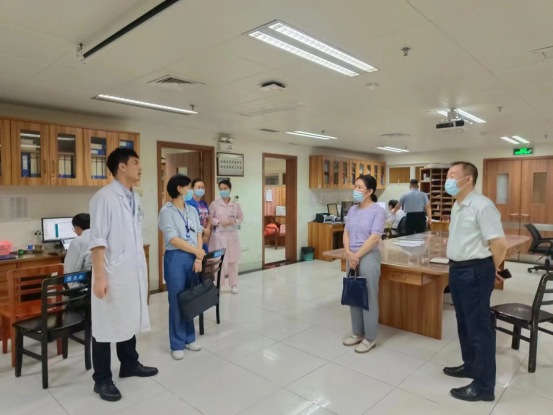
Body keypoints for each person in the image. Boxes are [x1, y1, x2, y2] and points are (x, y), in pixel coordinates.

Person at [89, 148, 157, 402]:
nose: (140, 168)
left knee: (127, 317)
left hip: (130, 270)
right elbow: (97, 240)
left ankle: (129, 364)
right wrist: (99, 277)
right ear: (122, 166)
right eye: (136, 163)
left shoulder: (134, 197)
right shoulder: (104, 198)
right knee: (105, 326)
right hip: (111, 272)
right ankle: (102, 379)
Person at [444, 161, 507, 402]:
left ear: (467, 179)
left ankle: (484, 386)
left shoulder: (482, 205)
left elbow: (499, 243)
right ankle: (470, 365)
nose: (448, 180)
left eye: (452, 175)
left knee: (479, 328)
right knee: (463, 323)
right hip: (457, 270)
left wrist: (491, 268)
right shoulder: (457, 205)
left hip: (475, 271)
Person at [158, 174, 204, 360]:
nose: (190, 190)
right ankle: (177, 343)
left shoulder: (192, 209)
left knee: (189, 298)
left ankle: (189, 338)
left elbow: (199, 232)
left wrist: (198, 257)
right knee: (177, 300)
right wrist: (196, 251)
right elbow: (173, 239)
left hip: (193, 257)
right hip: (176, 257)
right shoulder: (166, 211)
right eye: (188, 187)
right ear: (179, 188)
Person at [342, 175, 386, 353]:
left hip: (368, 256)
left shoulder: (378, 211)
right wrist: (348, 253)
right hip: (351, 256)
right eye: (355, 186)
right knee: (353, 293)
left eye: (360, 187)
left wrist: (356, 256)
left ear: (370, 191)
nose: (356, 190)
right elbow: (346, 232)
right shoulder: (353, 209)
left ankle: (370, 337)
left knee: (368, 296)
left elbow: (374, 237)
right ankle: (357, 333)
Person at [208, 180, 243, 294]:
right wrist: (219, 221)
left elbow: (240, 218)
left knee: (233, 262)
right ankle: (219, 284)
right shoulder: (214, 204)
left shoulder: (236, 204)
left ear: (230, 189)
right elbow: (210, 218)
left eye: (225, 189)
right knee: (219, 261)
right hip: (219, 236)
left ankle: (233, 285)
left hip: (232, 235)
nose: (223, 191)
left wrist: (234, 221)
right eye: (221, 189)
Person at [191, 178, 211, 253]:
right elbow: (191, 221)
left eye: (202, 188)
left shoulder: (204, 203)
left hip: (204, 236)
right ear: (193, 188)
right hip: (194, 236)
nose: (201, 189)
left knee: (204, 256)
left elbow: (209, 218)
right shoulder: (189, 203)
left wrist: (207, 229)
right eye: (198, 187)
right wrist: (204, 230)